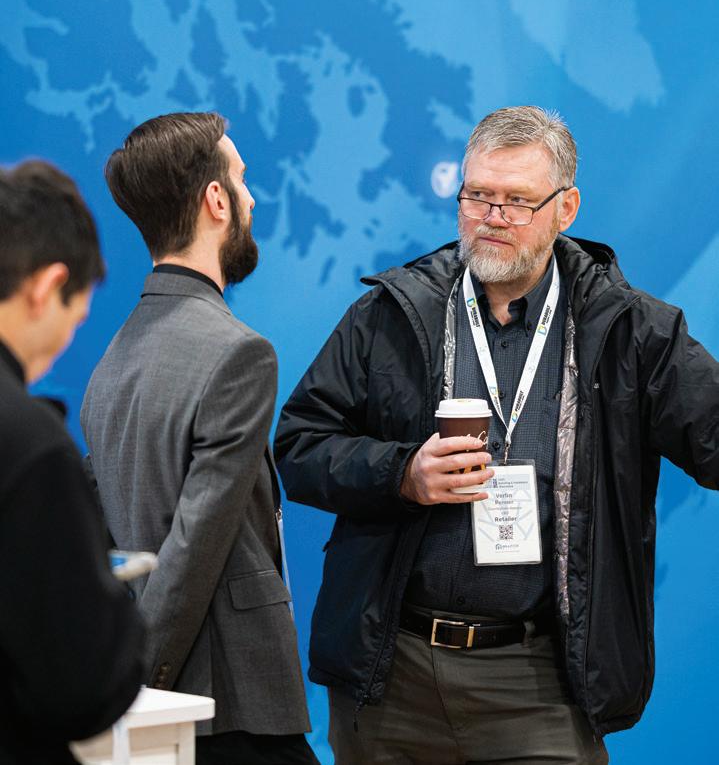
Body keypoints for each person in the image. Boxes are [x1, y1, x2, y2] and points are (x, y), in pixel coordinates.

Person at [275, 105, 719, 765]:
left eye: (516, 201)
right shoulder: (391, 313)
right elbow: (300, 445)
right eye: (477, 195)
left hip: (538, 683)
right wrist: (401, 472)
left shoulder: (630, 331)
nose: (492, 216)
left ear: (565, 208)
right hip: (392, 675)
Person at [81, 112, 318, 765]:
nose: (251, 198)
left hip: (169, 707)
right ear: (217, 200)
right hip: (229, 707)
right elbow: (193, 545)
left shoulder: (110, 363)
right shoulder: (240, 353)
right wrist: (139, 687)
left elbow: (99, 538)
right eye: (241, 180)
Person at [0, 160, 145, 765]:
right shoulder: (29, 443)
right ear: (46, 287)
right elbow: (83, 686)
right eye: (75, 316)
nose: (65, 343)